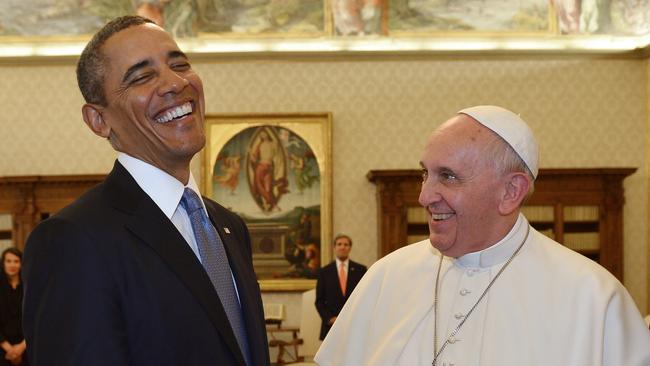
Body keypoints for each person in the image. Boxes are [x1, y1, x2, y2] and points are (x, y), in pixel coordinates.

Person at [314, 105, 650, 366]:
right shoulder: (386, 277)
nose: (424, 196)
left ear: (510, 191)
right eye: (424, 173)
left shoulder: (593, 297)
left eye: (448, 176)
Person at [22, 16, 269, 366]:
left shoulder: (229, 227)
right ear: (98, 120)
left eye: (179, 63)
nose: (174, 82)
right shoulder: (73, 240)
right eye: (141, 76)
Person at [315, 234, 366, 341]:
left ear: (350, 248)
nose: (342, 247)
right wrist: (330, 318)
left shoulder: (360, 270)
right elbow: (319, 301)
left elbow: (365, 297)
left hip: (354, 324)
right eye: (339, 244)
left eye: (346, 244)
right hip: (331, 326)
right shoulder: (324, 272)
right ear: (334, 248)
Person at [0, 248, 26, 366]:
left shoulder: (29, 287)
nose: (12, 265)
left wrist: (21, 347)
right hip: (2, 346)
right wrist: (10, 349)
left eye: (16, 261)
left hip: (27, 346)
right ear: (3, 263)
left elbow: (36, 319)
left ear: (22, 264)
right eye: (8, 261)